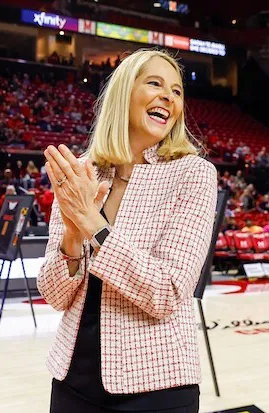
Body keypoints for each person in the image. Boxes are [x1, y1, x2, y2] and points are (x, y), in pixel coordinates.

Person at [38, 49, 218, 413]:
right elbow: (55, 295)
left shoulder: (194, 174)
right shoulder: (83, 173)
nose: (169, 96)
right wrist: (73, 235)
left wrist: (92, 222)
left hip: (157, 388)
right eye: (155, 83)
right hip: (72, 380)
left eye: (177, 91)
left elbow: (166, 293)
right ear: (124, 92)